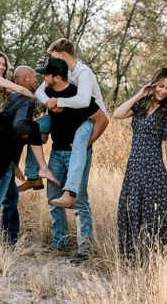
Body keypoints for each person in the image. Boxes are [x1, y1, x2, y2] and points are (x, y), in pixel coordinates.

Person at [0, 51, 59, 255]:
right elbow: (18, 88)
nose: (1, 67)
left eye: (4, 65)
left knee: (10, 198)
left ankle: (9, 243)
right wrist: (37, 99)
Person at [35, 57, 108, 261]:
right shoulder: (49, 93)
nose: (43, 77)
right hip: (56, 153)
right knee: (53, 197)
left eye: (46, 74)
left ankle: (85, 248)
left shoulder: (78, 95)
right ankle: (60, 242)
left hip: (76, 154)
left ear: (56, 77)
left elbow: (102, 120)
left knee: (80, 199)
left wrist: (86, 144)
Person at [19, 38, 109, 196]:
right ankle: (33, 176)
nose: (51, 61)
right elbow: (40, 92)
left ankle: (71, 192)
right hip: (64, 114)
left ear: (64, 55)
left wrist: (58, 101)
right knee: (33, 128)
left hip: (89, 117)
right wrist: (49, 102)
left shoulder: (83, 72)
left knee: (79, 142)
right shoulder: (59, 72)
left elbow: (83, 100)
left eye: (53, 57)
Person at [112, 67, 167, 261]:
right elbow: (117, 114)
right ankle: (132, 257)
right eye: (161, 86)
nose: (163, 91)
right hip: (134, 168)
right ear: (153, 84)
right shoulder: (141, 104)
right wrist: (141, 93)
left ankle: (153, 259)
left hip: (153, 169)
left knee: (152, 214)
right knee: (131, 209)